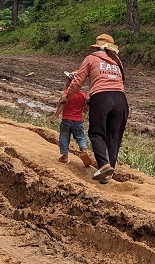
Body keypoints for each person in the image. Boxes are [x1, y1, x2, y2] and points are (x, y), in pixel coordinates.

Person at [66, 34, 128, 184]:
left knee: (96, 132)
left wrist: (68, 97)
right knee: (113, 135)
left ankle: (104, 165)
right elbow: (120, 81)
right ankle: (109, 172)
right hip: (121, 99)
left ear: (97, 47)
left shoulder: (90, 58)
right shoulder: (117, 61)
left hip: (101, 98)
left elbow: (77, 81)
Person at [53, 71, 95, 167]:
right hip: (78, 121)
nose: (66, 83)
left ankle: (64, 157)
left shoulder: (67, 94)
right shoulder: (82, 96)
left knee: (64, 137)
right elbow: (85, 110)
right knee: (81, 137)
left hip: (66, 121)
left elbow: (62, 105)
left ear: (70, 83)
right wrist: (87, 102)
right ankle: (84, 150)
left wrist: (55, 116)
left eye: (67, 81)